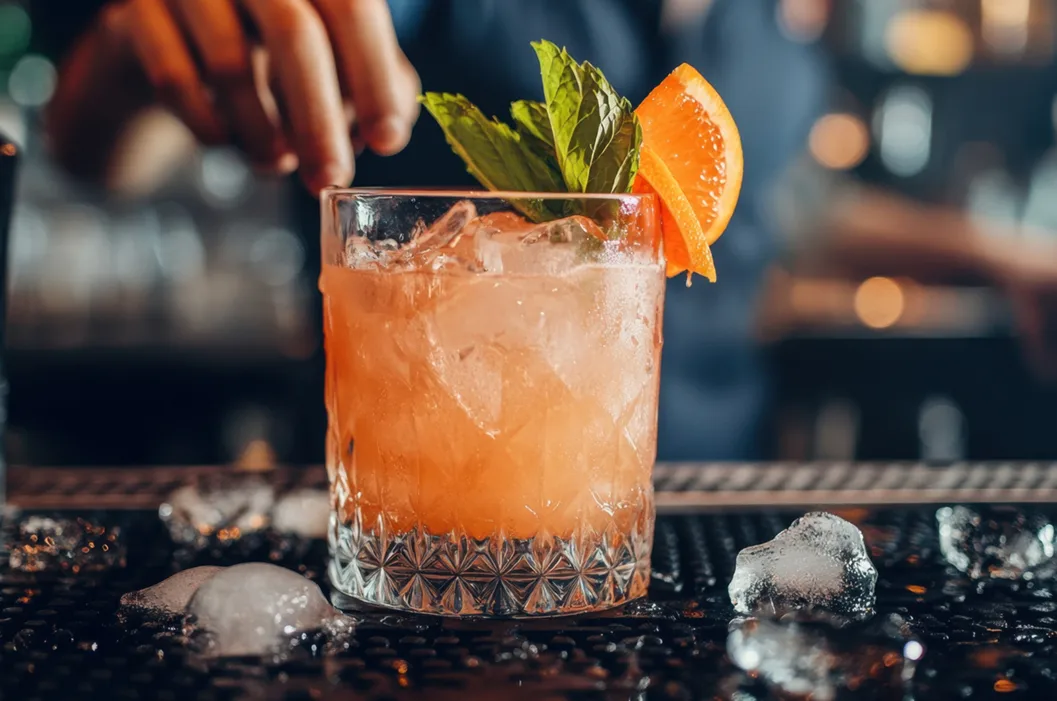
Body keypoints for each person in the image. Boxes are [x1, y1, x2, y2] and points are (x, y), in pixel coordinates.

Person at [35, 0, 830, 461]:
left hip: (707, 494)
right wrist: (135, 53)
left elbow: (770, 208)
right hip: (421, 513)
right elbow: (89, 150)